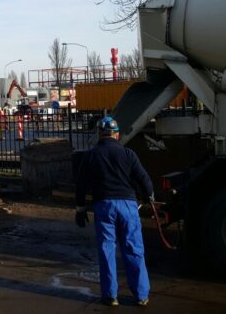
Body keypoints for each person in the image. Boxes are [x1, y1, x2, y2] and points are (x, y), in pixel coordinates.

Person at [75, 116, 154, 307]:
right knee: (134, 249)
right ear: (116, 134)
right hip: (128, 205)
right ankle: (141, 295)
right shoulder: (128, 154)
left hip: (104, 206)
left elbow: (81, 184)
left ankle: (110, 296)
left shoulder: (90, 155)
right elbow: (144, 180)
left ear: (99, 135)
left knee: (107, 249)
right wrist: (148, 197)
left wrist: (79, 208)